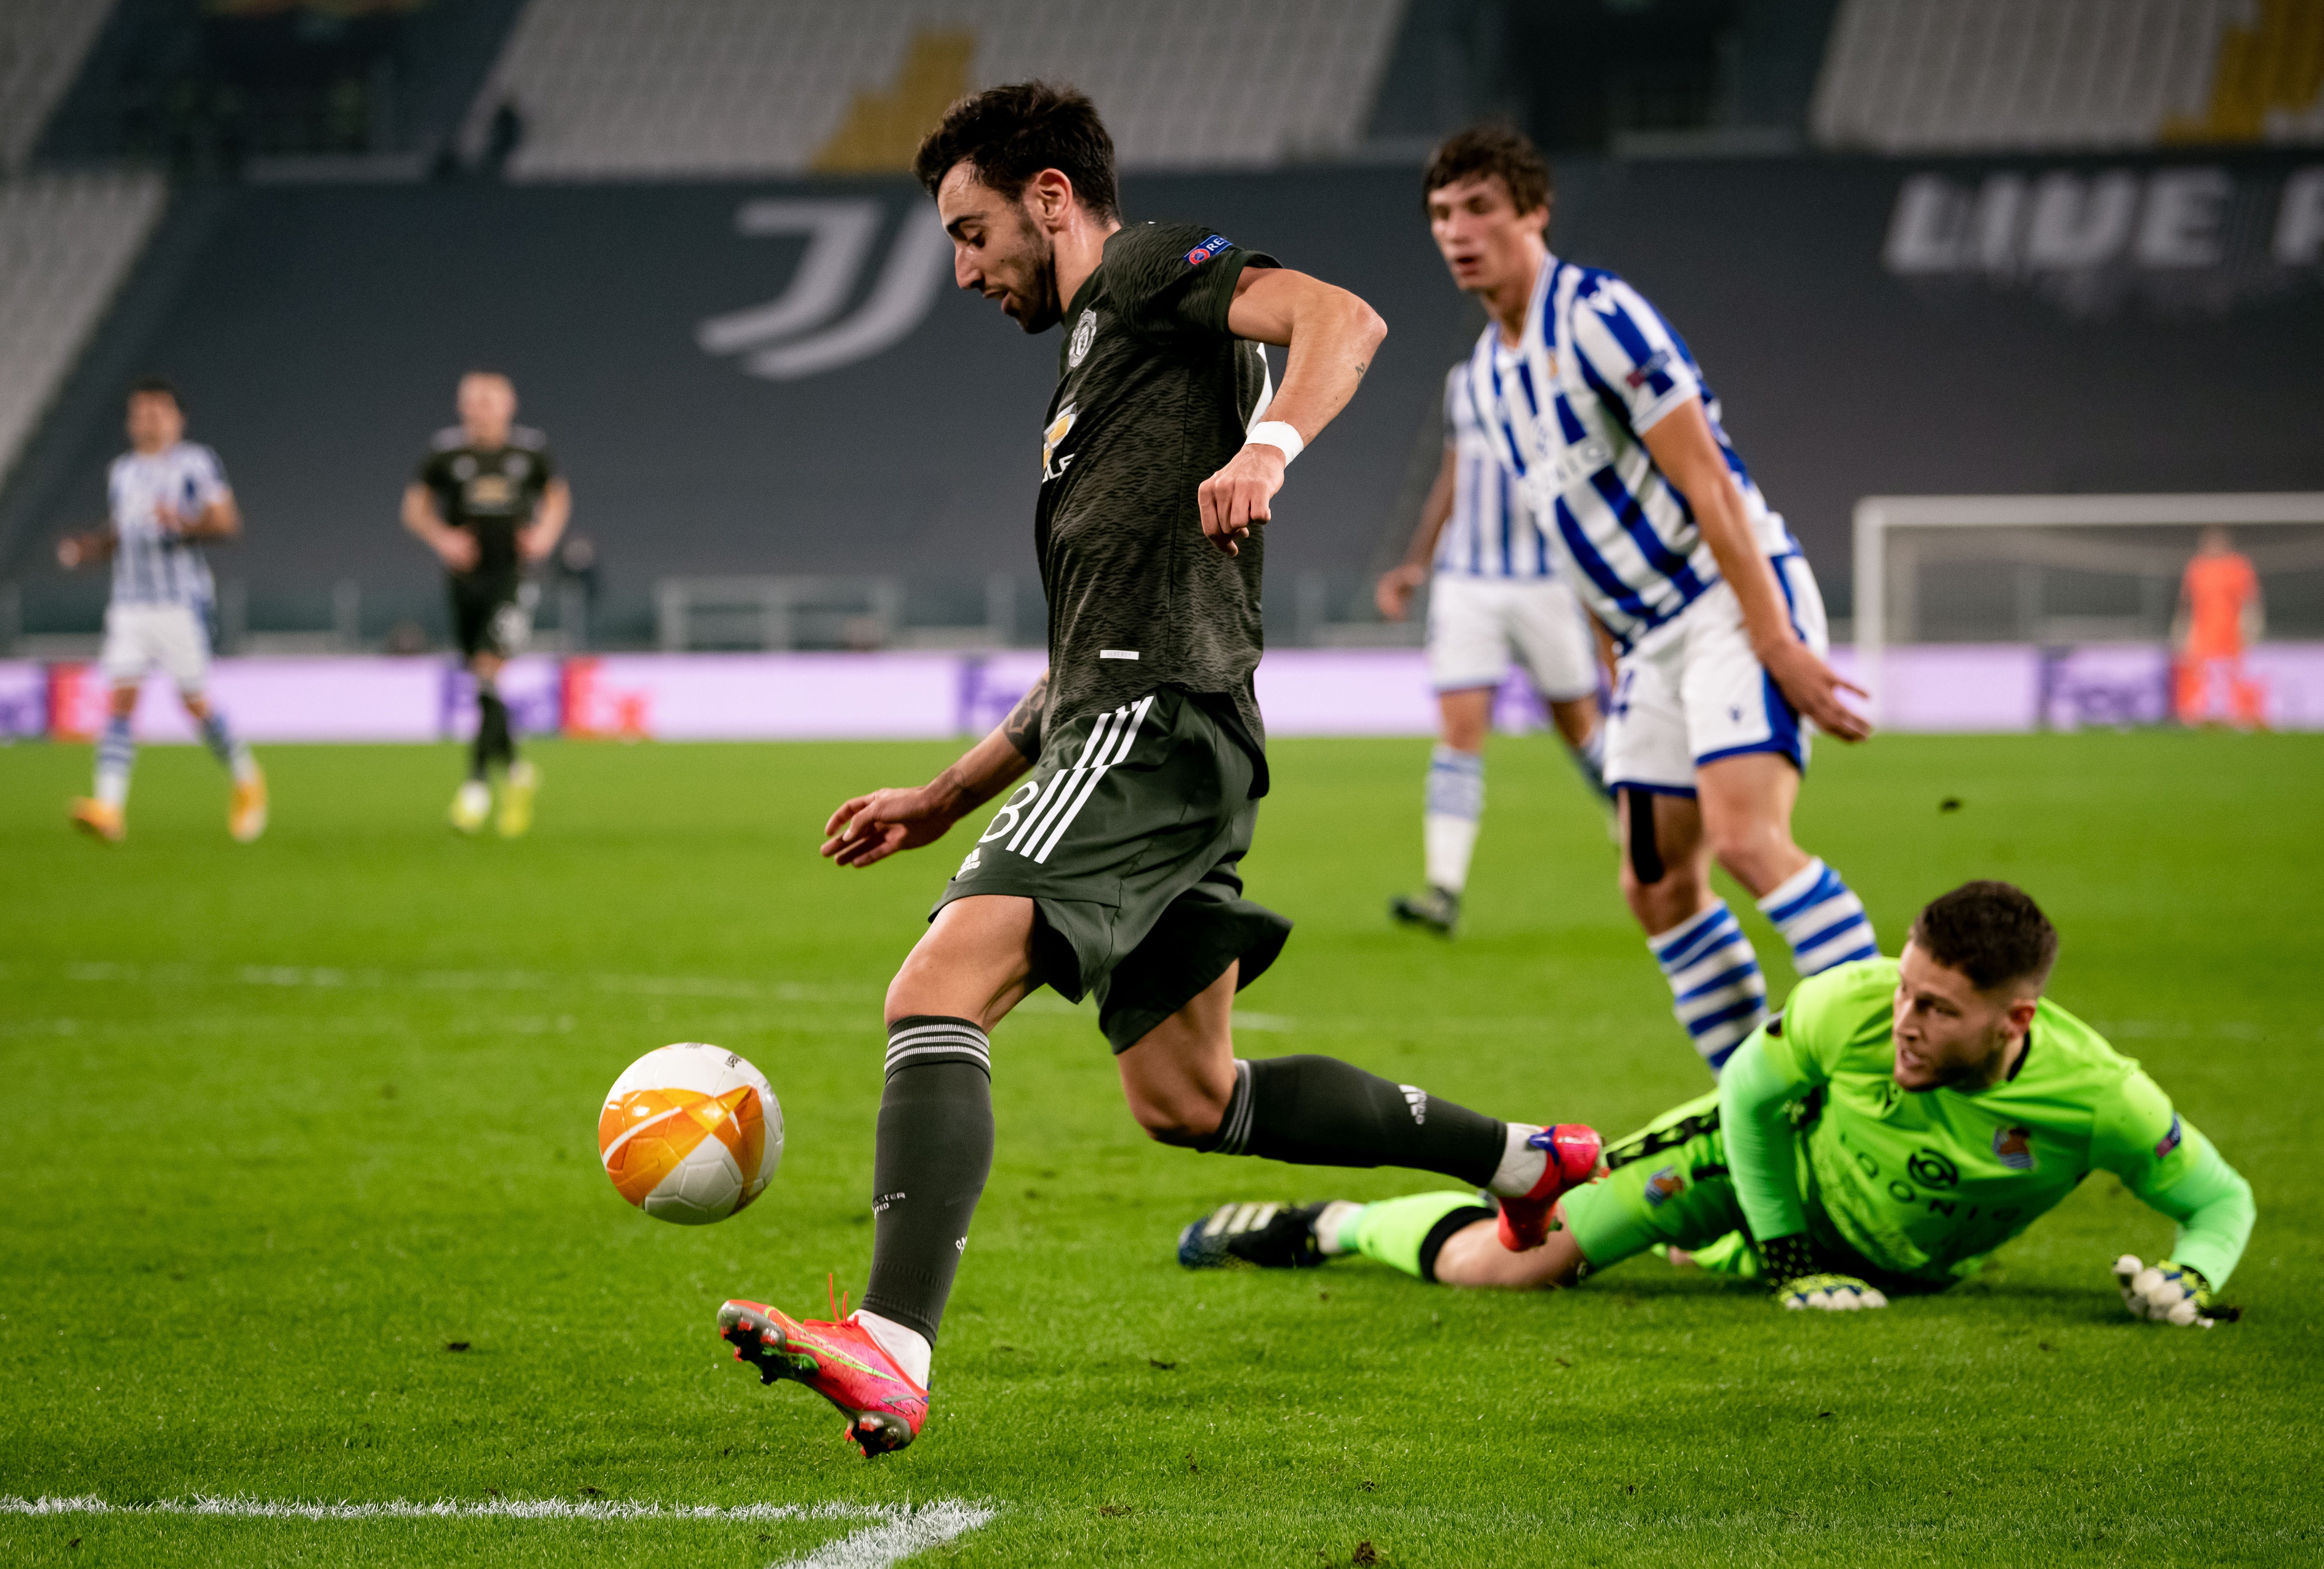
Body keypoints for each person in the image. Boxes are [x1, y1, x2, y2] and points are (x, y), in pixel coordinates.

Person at [714, 83, 1602, 1459]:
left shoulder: (1137, 275)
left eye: (972, 231)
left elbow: (1344, 319)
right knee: (1194, 1096)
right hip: (1166, 729)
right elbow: (1086, 645)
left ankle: (888, 1347)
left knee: (937, 984)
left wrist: (1270, 445)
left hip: (1152, 726)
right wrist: (947, 792)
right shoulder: (1100, 371)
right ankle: (1523, 1162)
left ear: (1052, 198)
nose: (963, 269)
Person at [1180, 881, 2255, 1330]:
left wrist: (2187, 1278)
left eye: (1938, 1007)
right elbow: (1745, 1096)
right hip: (1749, 1170)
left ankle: (1735, 1255)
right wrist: (1790, 1253)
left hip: (1878, 1253)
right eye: (1905, 986)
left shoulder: (2101, 1095)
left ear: (2014, 1022)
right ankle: (1330, 1224)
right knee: (1520, 1263)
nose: (1906, 1018)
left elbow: (2221, 1201)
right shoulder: (1853, 1005)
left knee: (1707, 1261)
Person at [1423, 123, 1878, 1076]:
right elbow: (1568, 527)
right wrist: (1614, 656)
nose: (1458, 232)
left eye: (1479, 209)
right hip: (1646, 643)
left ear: (1532, 212)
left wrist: (1776, 640)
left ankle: (1879, 1074)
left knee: (1749, 843)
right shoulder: (1488, 379)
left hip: (1726, 601)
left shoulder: (1597, 315)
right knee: (1655, 884)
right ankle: (1752, 1103)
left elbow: (1707, 480)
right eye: (1440, 215)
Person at [1376, 361, 1611, 936]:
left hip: (1548, 580)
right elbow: (1453, 473)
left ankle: (1651, 827)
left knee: (1581, 728)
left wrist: (1602, 593)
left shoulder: (1572, 377)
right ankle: (1443, 890)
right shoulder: (1466, 379)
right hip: (1467, 581)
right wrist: (1419, 560)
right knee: (1459, 730)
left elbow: (1591, 490)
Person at [56, 377, 266, 845]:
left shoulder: (196, 463)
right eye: (140, 413)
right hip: (129, 604)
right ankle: (109, 809)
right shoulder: (122, 472)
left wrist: (185, 523)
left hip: (179, 603)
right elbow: (121, 532)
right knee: (120, 703)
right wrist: (89, 550)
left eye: (158, 412)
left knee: (194, 704)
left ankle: (247, 777)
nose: (148, 420)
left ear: (178, 419)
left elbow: (228, 524)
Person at [401, 370, 568, 836]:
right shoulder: (446, 452)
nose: (483, 408)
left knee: (490, 669)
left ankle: (476, 785)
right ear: (462, 406)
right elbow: (414, 509)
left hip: (513, 577)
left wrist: (545, 537)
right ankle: (517, 772)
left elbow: (557, 497)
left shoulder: (530, 451)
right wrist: (443, 538)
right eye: (474, 400)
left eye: (492, 400)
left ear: (509, 405)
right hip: (464, 581)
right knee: (481, 678)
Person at [2173, 525, 2265, 728]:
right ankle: (2197, 717)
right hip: (2204, 632)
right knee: (2199, 673)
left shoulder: (2239, 566)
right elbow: (2186, 606)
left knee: (2233, 673)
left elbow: (2250, 601)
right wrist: (2182, 632)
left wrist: (2252, 626)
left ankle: (2240, 718)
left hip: (2231, 632)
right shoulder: (2197, 568)